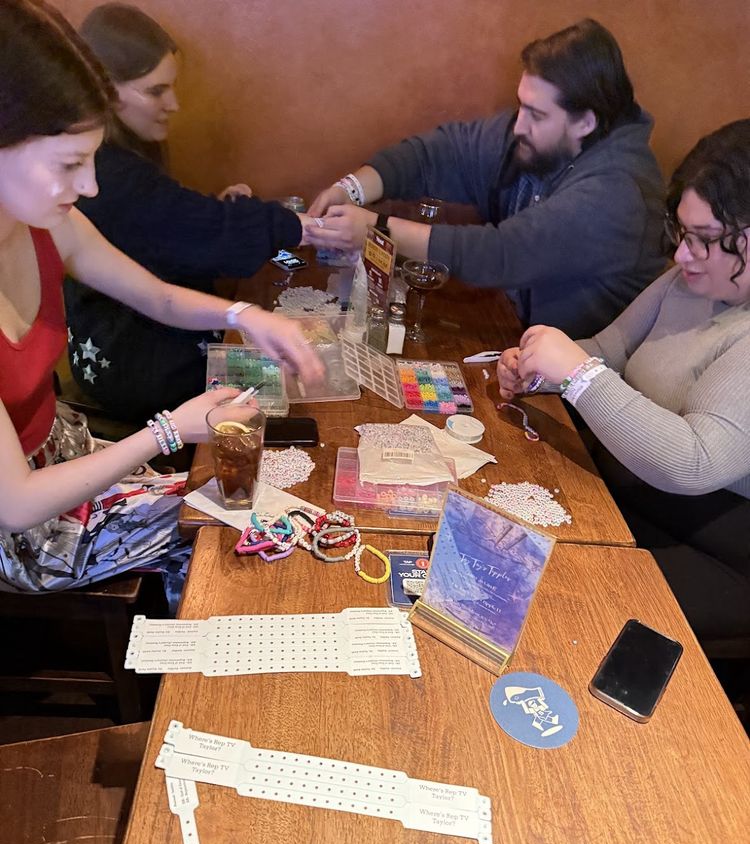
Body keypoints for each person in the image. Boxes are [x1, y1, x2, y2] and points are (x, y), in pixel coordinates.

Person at [0, 0, 322, 605]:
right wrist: (171, 430)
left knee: (243, 494)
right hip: (22, 529)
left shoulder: (40, 222)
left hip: (62, 449)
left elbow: (153, 295)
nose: (91, 185)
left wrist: (244, 314)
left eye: (94, 158)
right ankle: (187, 694)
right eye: (70, 163)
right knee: (228, 528)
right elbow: (15, 505)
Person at [496, 119, 750, 643]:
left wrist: (578, 375)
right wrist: (541, 369)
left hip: (719, 545)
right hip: (628, 490)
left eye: (704, 240)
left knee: (559, 605)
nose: (681, 256)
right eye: (681, 232)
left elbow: (695, 462)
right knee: (502, 542)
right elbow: (610, 351)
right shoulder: (689, 276)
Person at [306, 19, 665, 340]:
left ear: (585, 122)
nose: (519, 125)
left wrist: (376, 228)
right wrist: (350, 189)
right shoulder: (539, 138)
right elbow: (441, 154)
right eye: (521, 105)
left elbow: (502, 253)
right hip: (509, 336)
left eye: (537, 115)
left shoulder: (618, 192)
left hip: (573, 390)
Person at [65, 2, 312, 420]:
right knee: (286, 395)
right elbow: (214, 238)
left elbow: (170, 232)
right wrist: (304, 227)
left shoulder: (122, 160)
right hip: (127, 367)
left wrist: (244, 310)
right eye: (155, 90)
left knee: (274, 355)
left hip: (124, 341)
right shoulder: (111, 172)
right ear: (103, 91)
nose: (174, 104)